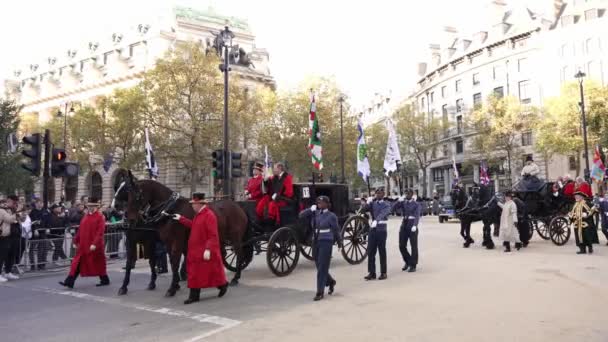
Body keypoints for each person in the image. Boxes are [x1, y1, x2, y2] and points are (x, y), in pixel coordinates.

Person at [169, 193, 228, 304]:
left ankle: (223, 285)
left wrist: (208, 249)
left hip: (204, 250)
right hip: (196, 250)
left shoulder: (209, 215)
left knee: (212, 272)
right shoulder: (199, 215)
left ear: (200, 204)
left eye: (194, 204)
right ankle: (194, 296)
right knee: (195, 273)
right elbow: (194, 225)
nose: (192, 206)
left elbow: (213, 235)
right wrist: (181, 218)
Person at [299, 196, 343, 301]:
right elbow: (300, 215)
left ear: (327, 204)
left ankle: (320, 291)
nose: (320, 204)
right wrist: (310, 209)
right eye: (318, 202)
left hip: (326, 241)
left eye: (322, 202)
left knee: (322, 266)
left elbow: (336, 230)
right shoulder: (315, 213)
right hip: (316, 241)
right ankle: (331, 281)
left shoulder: (331, 216)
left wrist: (339, 242)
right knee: (319, 265)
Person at [59, 198, 110, 288]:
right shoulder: (86, 216)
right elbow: (81, 229)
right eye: (89, 206)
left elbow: (100, 232)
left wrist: (94, 244)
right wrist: (76, 240)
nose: (90, 207)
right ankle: (69, 281)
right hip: (84, 245)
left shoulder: (100, 217)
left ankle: (104, 279)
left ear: (96, 206)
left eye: (92, 206)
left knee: (98, 264)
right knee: (77, 263)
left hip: (94, 246)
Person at [360, 187, 391, 280]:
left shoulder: (386, 204)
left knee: (382, 251)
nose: (378, 195)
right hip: (373, 230)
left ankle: (383, 272)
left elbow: (384, 213)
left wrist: (376, 220)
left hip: (381, 229)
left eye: (380, 193)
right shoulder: (373, 203)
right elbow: (363, 210)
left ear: (383, 194)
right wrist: (367, 203)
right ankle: (372, 272)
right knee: (371, 251)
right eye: (377, 193)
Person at [395, 189, 421, 272]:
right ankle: (408, 261)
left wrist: (415, 225)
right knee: (401, 245)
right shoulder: (403, 202)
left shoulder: (416, 204)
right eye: (406, 193)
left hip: (412, 225)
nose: (407, 195)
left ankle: (413, 265)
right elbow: (393, 208)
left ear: (412, 194)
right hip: (404, 225)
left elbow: (417, 216)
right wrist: (399, 201)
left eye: (409, 193)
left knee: (414, 246)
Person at [0, 197, 19, 282]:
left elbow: (19, 220)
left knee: (9, 255)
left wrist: (21, 214)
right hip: (2, 236)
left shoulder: (8, 211)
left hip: (8, 235)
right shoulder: (1, 211)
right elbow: (10, 219)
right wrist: (18, 212)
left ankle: (8, 272)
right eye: (4, 202)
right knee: (1, 256)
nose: (5, 204)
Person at [28, 198, 49, 270]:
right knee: (32, 249)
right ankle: (32, 265)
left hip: (43, 232)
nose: (40, 204)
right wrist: (35, 229)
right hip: (35, 233)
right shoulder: (32, 212)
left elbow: (48, 221)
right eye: (39, 203)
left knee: (43, 249)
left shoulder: (45, 211)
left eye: (41, 203)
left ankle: (41, 264)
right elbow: (30, 222)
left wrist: (48, 228)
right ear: (36, 204)